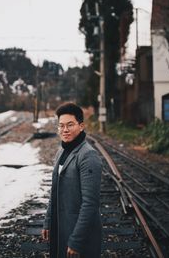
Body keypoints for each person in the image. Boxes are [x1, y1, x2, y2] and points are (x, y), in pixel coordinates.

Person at [42, 102, 102, 258]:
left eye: (70, 125)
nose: (65, 130)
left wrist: (76, 240)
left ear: (81, 126)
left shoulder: (88, 156)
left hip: (79, 233)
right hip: (61, 227)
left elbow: (90, 204)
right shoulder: (61, 151)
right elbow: (54, 190)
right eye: (61, 126)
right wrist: (48, 221)